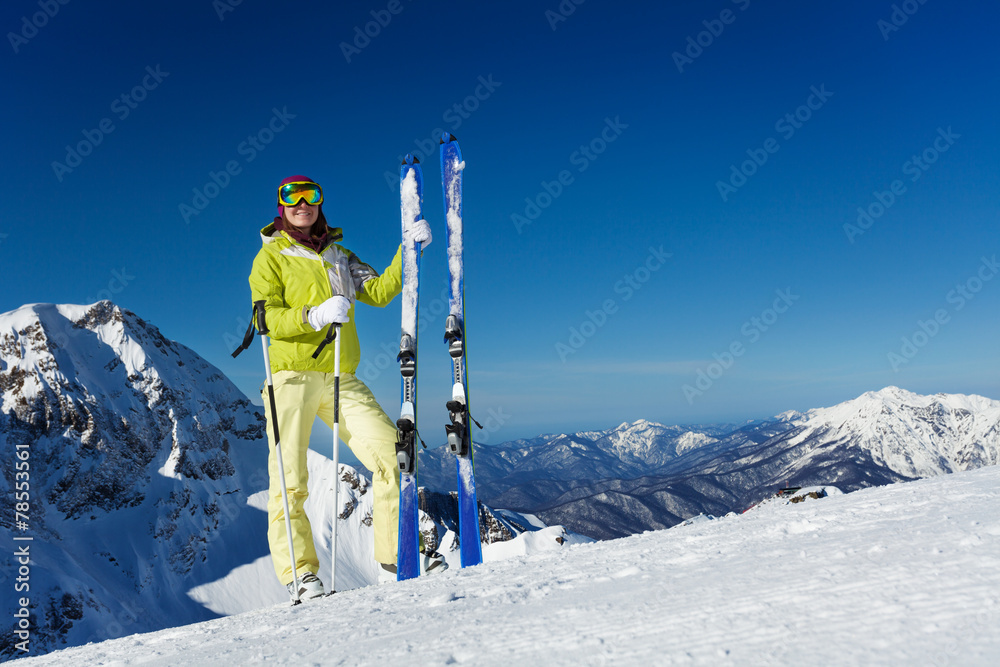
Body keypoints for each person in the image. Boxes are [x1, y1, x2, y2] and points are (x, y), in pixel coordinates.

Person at [248, 174, 443, 601]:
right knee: (289, 479)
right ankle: (301, 573)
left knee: (395, 452)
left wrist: (407, 251)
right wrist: (313, 315)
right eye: (292, 196)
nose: (303, 203)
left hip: (340, 376)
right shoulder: (272, 258)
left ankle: (396, 559)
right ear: (281, 206)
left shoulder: (339, 255)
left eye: (311, 194)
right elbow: (266, 318)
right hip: (290, 376)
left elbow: (377, 291)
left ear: (320, 201)